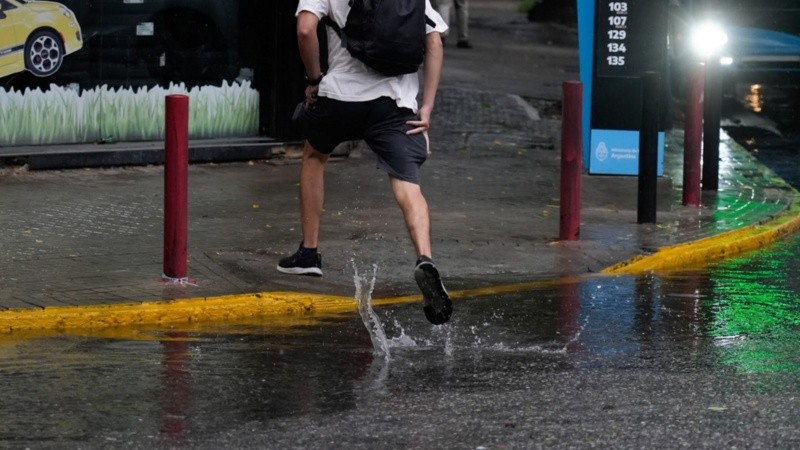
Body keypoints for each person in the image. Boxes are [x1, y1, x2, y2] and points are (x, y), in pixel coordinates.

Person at [277, 0, 454, 325]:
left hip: (340, 97)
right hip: (394, 103)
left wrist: (314, 78)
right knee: (407, 182)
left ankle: (309, 253)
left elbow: (305, 29)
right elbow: (434, 41)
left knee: (314, 156)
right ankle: (425, 258)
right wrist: (426, 107)